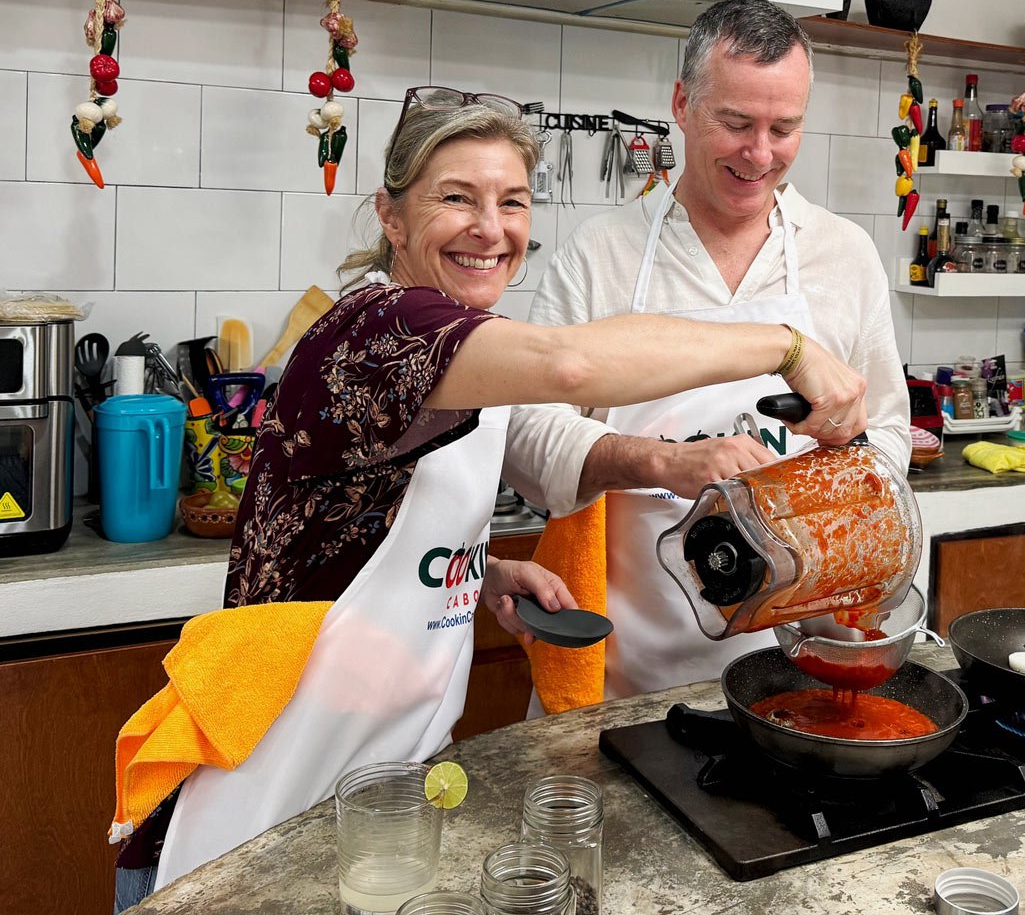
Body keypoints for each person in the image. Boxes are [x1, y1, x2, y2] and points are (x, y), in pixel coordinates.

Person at [116, 88, 838, 904]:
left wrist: (477, 568)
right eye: (455, 198)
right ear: (390, 217)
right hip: (258, 802)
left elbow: (368, 519)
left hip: (373, 794)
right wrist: (788, 349)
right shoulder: (380, 329)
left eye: (512, 202)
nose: (489, 228)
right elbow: (573, 367)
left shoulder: (458, 341)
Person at [504, 0, 911, 705]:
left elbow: (893, 436)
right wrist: (664, 461)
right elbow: (529, 441)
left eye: (785, 129)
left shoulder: (844, 255)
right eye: (736, 123)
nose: (761, 154)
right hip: (627, 677)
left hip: (796, 666)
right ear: (683, 103)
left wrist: (820, 484)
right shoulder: (603, 254)